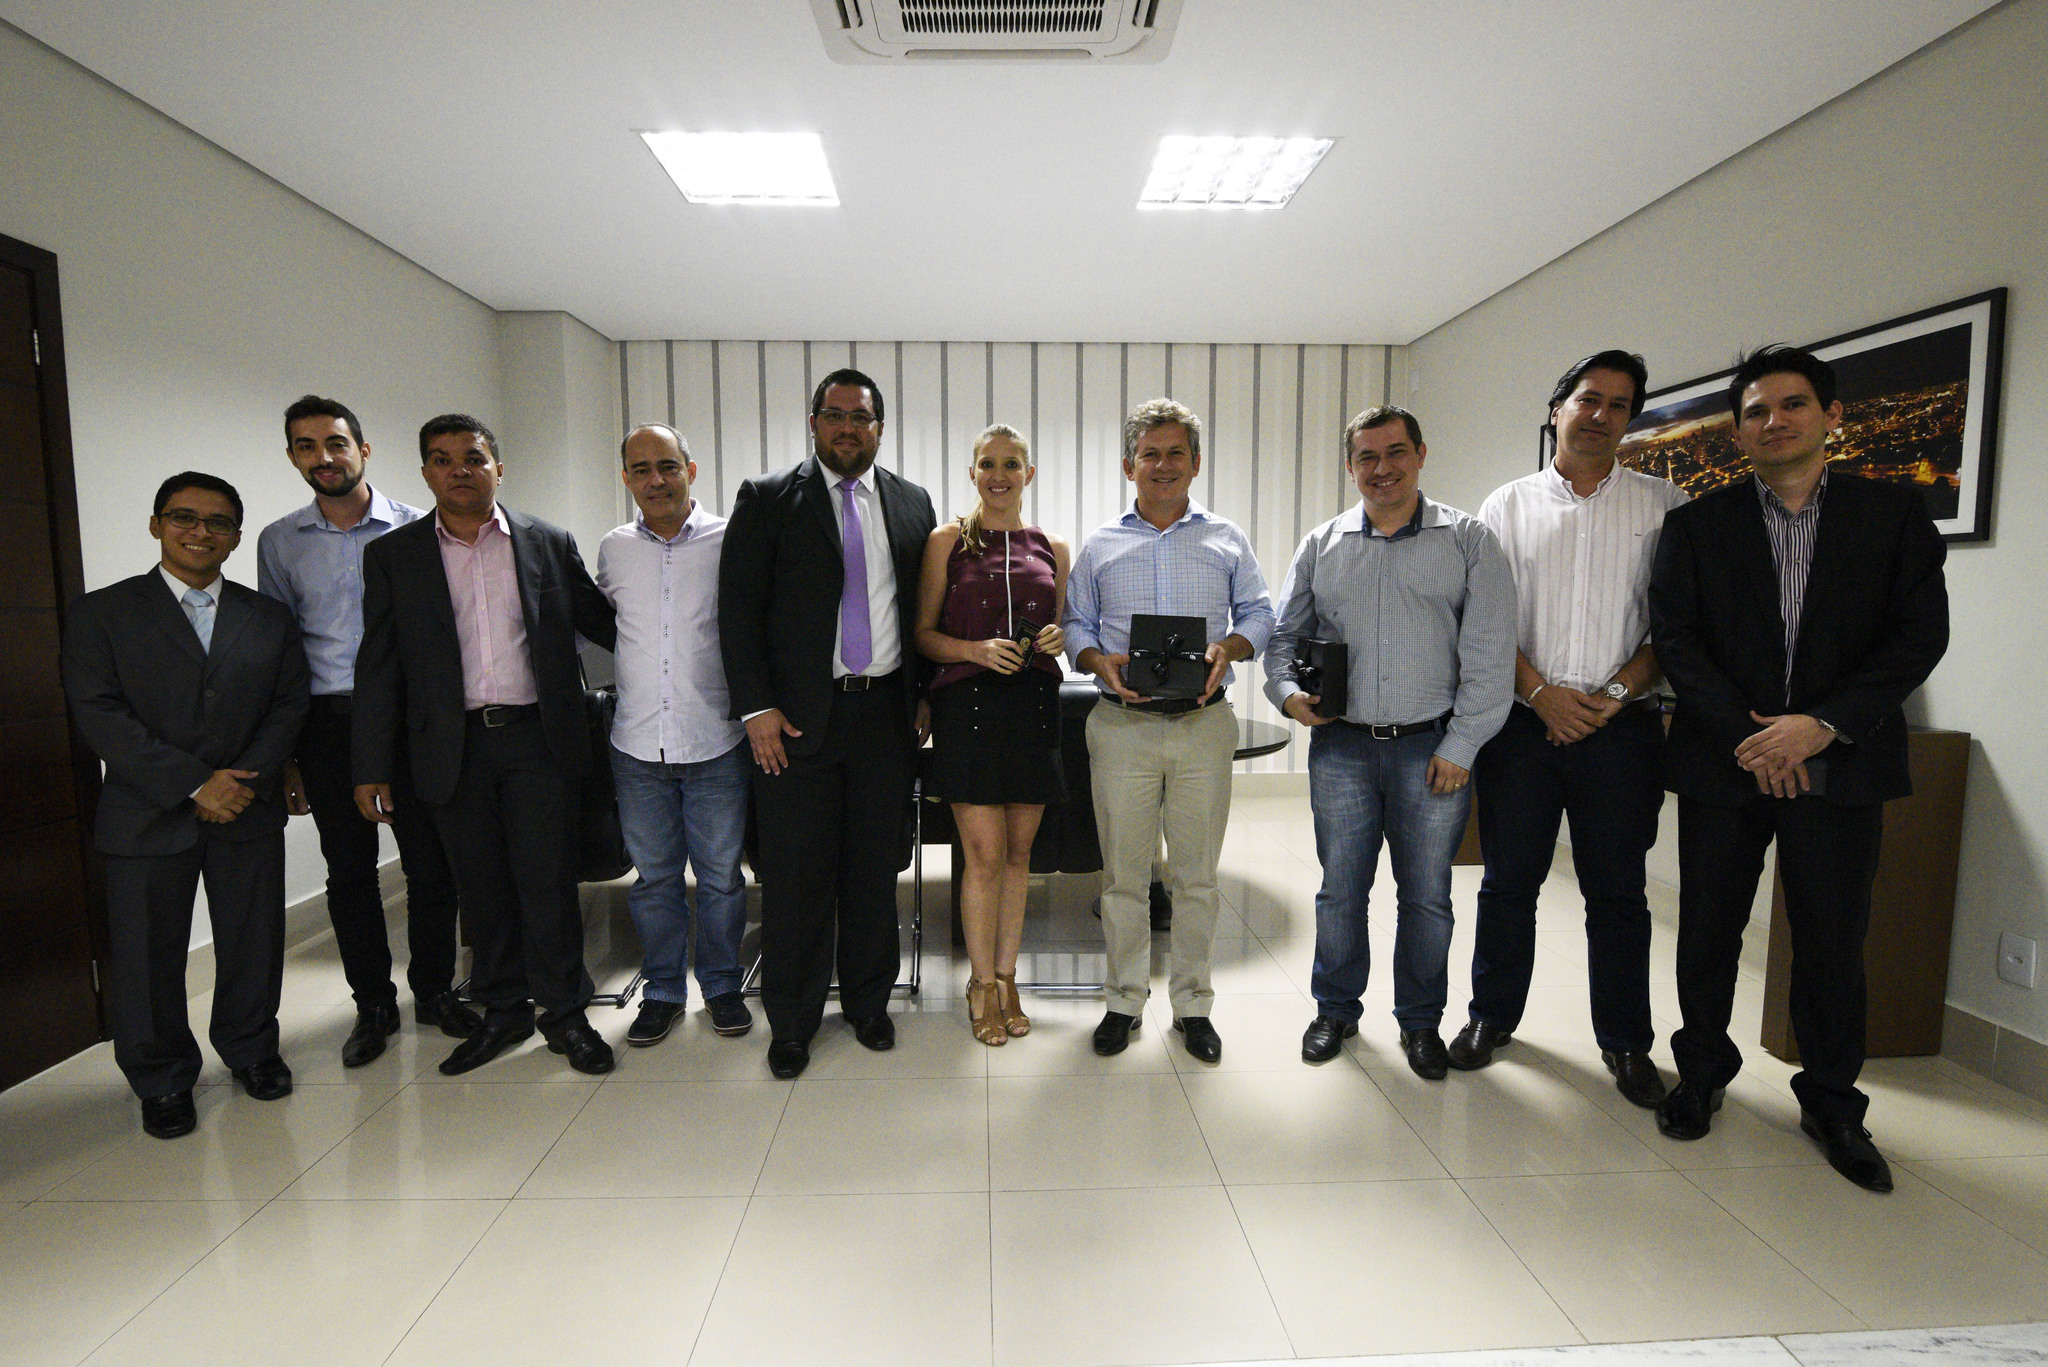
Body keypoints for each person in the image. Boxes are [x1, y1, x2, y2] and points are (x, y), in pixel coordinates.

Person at [1649, 345, 1948, 1192]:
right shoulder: (1696, 525)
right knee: (1708, 929)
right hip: (1725, 762)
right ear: (1738, 430)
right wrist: (1755, 739)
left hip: (1840, 762)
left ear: (1831, 415)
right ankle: (1701, 1073)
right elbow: (1677, 639)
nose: (1773, 421)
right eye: (1755, 410)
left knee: (1832, 937)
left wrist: (1819, 727)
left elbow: (1918, 636)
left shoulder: (1893, 514)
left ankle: (1832, 1103)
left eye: (1792, 404)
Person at [1448, 353, 1689, 1107]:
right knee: (1508, 883)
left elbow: (1676, 626)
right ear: (1557, 409)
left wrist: (1612, 694)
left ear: (1630, 419)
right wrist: (1541, 693)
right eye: (1588, 399)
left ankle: (1626, 1042)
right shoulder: (1506, 506)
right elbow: (1483, 622)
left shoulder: (1666, 506)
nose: (1600, 415)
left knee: (1617, 893)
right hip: (1524, 727)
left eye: (1618, 404)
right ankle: (1491, 1017)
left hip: (1623, 730)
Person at [352, 414, 618, 1076]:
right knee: (482, 888)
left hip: (538, 741)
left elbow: (607, 624)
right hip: (452, 749)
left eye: (473, 457)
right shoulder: (394, 555)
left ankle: (565, 1014)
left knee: (549, 884)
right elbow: (379, 665)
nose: (459, 470)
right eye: (442, 459)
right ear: (425, 474)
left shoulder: (547, 541)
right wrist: (371, 765)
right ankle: (503, 1011)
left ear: (499, 467)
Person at [1264, 406, 1515, 1078]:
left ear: (1420, 454)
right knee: (1340, 891)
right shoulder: (1322, 544)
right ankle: (1335, 1009)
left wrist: (1462, 745)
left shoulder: (1469, 541)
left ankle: (1420, 1021)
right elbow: (1283, 641)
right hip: (1341, 749)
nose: (1383, 468)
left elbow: (1490, 656)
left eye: (1396, 452)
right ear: (1350, 466)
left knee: (1426, 896)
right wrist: (1287, 694)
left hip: (1431, 750)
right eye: (1367, 457)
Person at [62, 473, 310, 1138]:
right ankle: (162, 1077)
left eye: (218, 522)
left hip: (247, 807)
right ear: (156, 525)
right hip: (145, 812)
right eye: (183, 517)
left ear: (236, 536)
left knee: (253, 941)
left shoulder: (269, 618)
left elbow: (289, 704)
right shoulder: (100, 613)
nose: (200, 532)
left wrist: (241, 782)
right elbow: (99, 711)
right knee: (145, 954)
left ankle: (252, 1050)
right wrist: (196, 783)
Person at [719, 368, 937, 1080]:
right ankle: (793, 1021)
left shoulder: (912, 502)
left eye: (861, 417)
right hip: (794, 723)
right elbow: (738, 610)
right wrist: (756, 707)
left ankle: (869, 1006)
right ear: (813, 422)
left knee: (874, 870)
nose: (848, 427)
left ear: (880, 427)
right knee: (795, 878)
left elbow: (922, 610)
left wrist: (923, 695)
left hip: (885, 717)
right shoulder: (767, 498)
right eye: (835, 414)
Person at [256, 395, 477, 1069]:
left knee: (430, 867)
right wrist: (288, 757)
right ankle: (373, 1004)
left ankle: (434, 990)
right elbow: (279, 651)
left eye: (335, 443)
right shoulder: (279, 542)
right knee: (349, 872)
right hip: (329, 725)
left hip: (414, 720)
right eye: (306, 446)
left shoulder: (418, 527)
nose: (323, 457)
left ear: (363, 449)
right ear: (292, 456)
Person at [1065, 398, 1274, 1063]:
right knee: (1123, 879)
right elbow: (1075, 625)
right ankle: (1124, 1000)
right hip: (1121, 725)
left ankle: (1193, 1006)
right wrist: (1096, 659)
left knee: (1196, 879)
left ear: (1196, 462)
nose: (1163, 465)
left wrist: (1229, 649)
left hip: (1202, 726)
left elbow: (1260, 613)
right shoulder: (1101, 544)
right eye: (1149, 454)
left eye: (1175, 452)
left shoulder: (1227, 538)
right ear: (1130, 465)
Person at [596, 423, 753, 1047]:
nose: (655, 480)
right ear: (626, 478)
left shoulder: (730, 541)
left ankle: (721, 986)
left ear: (690, 469)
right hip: (637, 745)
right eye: (641, 469)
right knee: (655, 881)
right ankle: (662, 991)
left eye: (667, 466)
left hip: (715, 739)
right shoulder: (613, 549)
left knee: (720, 880)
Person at [914, 423, 1069, 1046]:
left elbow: (1063, 627)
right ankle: (980, 984)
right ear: (973, 473)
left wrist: (1057, 637)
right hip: (968, 708)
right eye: (987, 464)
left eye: (1010, 464)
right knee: (982, 856)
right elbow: (923, 634)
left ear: (1028, 474)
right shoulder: (946, 541)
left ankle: (1008, 979)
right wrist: (974, 650)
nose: (999, 475)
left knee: (1019, 857)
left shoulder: (1052, 546)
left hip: (1032, 707)